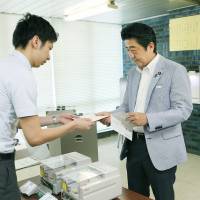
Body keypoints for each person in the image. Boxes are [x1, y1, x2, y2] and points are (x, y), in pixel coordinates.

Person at [0, 13, 93, 200]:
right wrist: (74, 125)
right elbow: (34, 137)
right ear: (36, 41)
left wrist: (56, 119)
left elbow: (15, 120)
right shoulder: (21, 74)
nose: (49, 57)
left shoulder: (5, 65)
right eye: (49, 48)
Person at [97, 22, 192, 200]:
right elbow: (125, 107)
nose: (130, 55)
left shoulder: (175, 70)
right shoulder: (133, 73)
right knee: (136, 195)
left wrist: (148, 118)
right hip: (134, 146)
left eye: (133, 49)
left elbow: (183, 110)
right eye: (127, 49)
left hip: (161, 148)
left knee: (164, 195)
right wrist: (111, 116)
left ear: (150, 46)